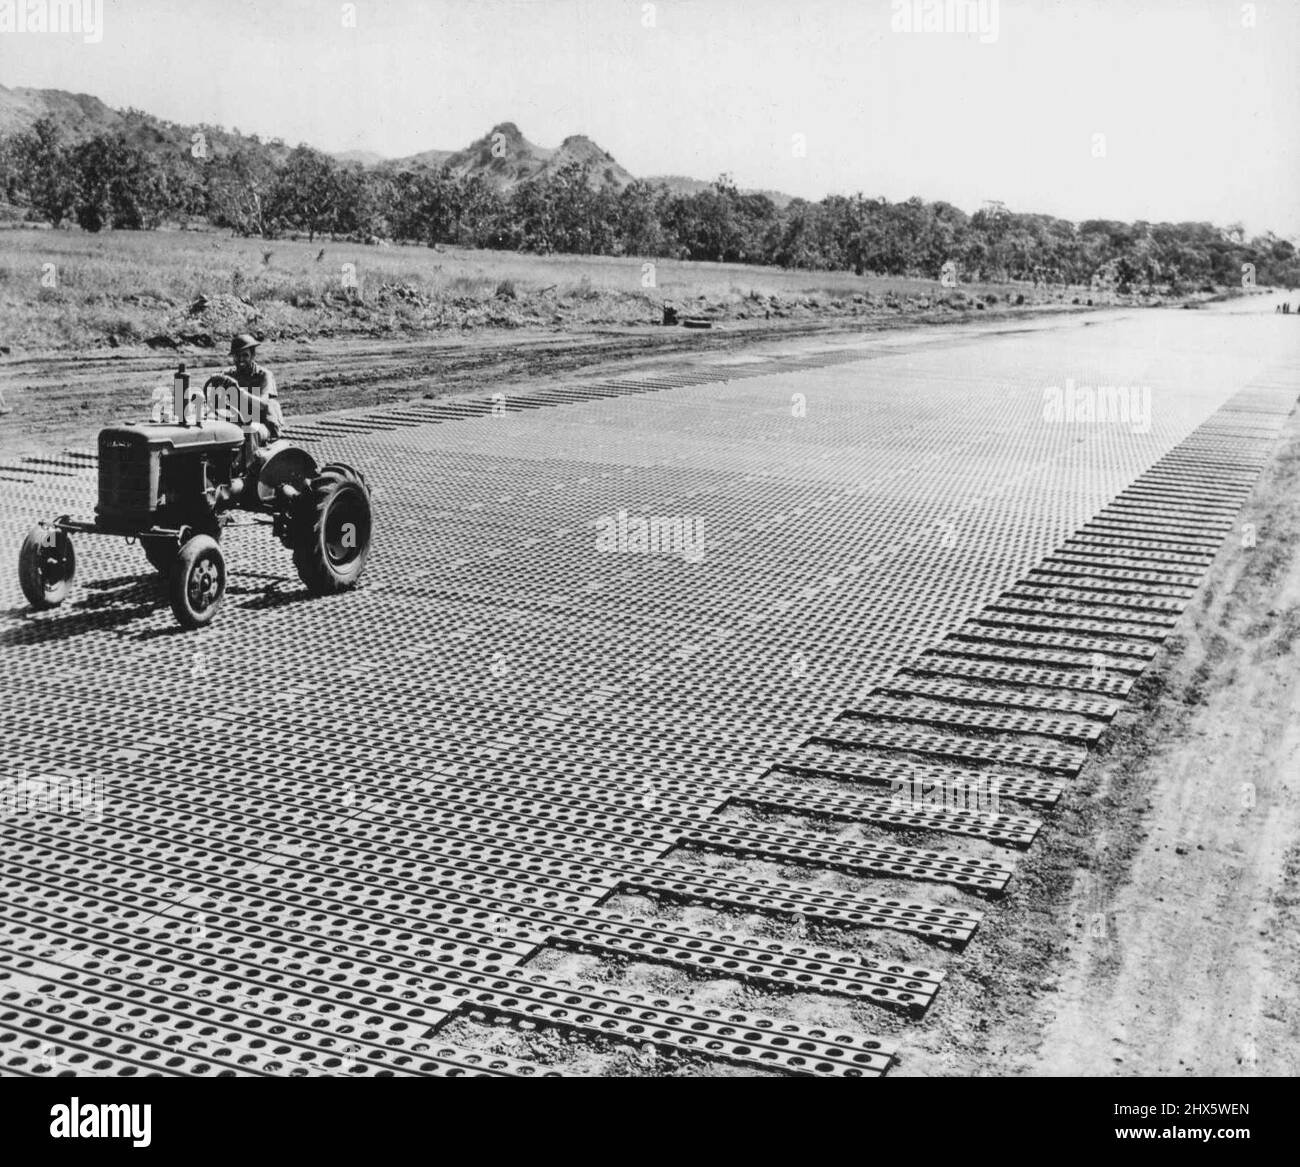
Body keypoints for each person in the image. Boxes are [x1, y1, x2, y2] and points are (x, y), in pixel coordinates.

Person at [205, 334, 284, 440]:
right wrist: (215, 386)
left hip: (264, 423)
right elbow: (216, 404)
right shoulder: (228, 374)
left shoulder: (264, 375)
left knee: (250, 432)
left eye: (245, 355)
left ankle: (250, 456)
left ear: (253, 356)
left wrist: (240, 392)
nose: (241, 359)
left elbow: (263, 404)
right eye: (237, 356)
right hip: (240, 421)